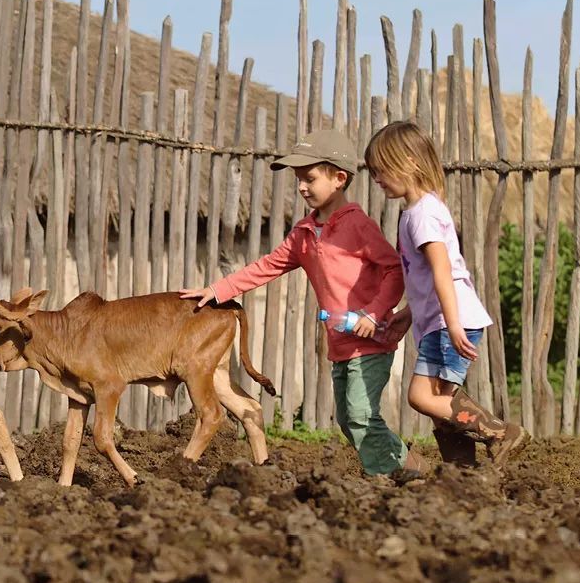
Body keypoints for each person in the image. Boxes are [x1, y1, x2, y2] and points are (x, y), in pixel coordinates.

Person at [180, 129, 425, 479]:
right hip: (340, 343)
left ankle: (389, 479)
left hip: (372, 342)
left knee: (359, 416)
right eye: (298, 179)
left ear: (339, 178)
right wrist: (218, 290)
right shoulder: (305, 232)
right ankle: (410, 467)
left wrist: (373, 312)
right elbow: (268, 266)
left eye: (309, 178)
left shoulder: (358, 225)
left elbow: (393, 271)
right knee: (348, 420)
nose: (301, 187)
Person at [364, 120, 529, 467]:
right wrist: (409, 314)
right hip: (442, 319)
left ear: (408, 161)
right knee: (443, 406)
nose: (376, 179)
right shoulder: (417, 210)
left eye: (381, 170)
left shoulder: (422, 213)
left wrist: (453, 325)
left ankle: (501, 432)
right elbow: (425, 277)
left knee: (421, 397)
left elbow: (443, 270)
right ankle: (464, 473)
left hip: (450, 320)